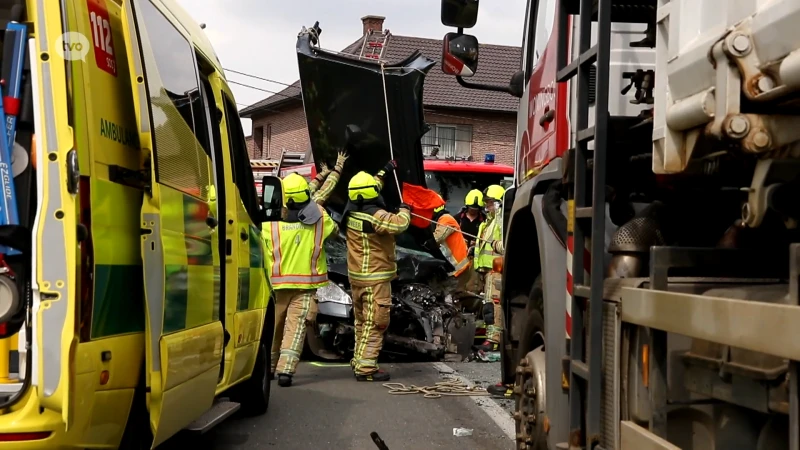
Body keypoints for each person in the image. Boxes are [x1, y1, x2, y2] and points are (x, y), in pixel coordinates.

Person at [264, 151, 348, 387]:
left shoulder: (269, 224)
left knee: (273, 328)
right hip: (305, 287)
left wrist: (322, 174)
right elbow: (321, 198)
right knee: (295, 328)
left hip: (276, 287)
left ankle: (268, 368)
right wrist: (336, 169)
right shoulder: (319, 218)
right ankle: (285, 372)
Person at [343, 160, 411, 382]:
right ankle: (366, 369)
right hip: (376, 279)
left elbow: (371, 187)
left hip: (357, 278)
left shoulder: (351, 212)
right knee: (377, 322)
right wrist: (405, 210)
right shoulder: (376, 217)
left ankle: (359, 360)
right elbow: (399, 224)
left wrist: (385, 170)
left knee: (362, 322)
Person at [423, 201, 471, 290]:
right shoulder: (438, 221)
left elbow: (436, 239)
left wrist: (421, 239)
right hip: (452, 269)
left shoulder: (446, 220)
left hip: (458, 269)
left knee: (453, 298)